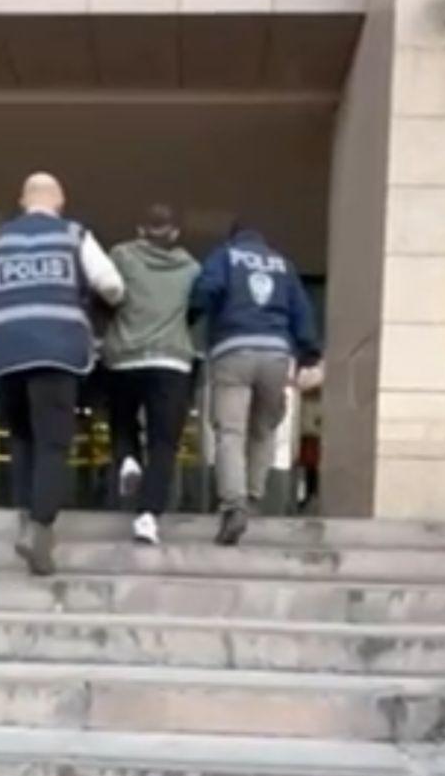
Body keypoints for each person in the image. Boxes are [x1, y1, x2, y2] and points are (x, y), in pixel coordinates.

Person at [0, 172, 124, 575]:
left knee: (22, 439)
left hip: (9, 354)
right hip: (58, 353)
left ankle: (26, 516)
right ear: (59, 200)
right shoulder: (74, 234)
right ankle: (39, 527)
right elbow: (112, 285)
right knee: (53, 443)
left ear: (22, 201)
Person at [190, 221, 322, 546]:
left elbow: (206, 291)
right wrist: (308, 352)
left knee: (231, 433)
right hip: (276, 354)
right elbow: (301, 310)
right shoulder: (282, 264)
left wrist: (192, 316)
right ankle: (253, 496)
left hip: (233, 351)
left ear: (233, 237)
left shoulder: (225, 256)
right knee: (264, 429)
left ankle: (233, 505)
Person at [102, 203, 200, 545]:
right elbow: (196, 309)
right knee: (163, 444)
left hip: (125, 358)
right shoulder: (192, 269)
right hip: (172, 361)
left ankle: (128, 459)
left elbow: (106, 294)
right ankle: (147, 516)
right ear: (175, 233)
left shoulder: (121, 256)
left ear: (140, 230)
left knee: (122, 422)